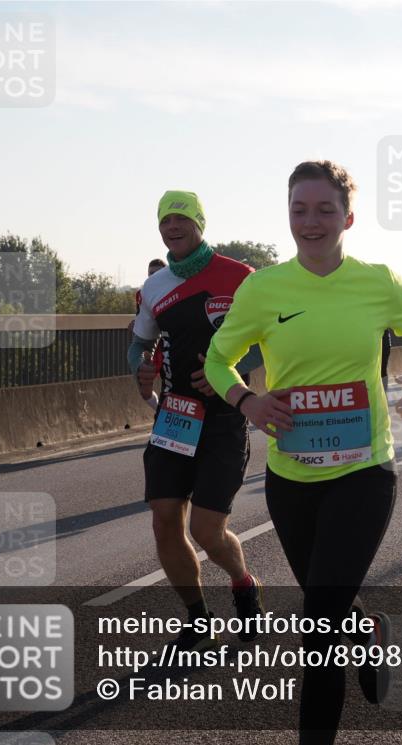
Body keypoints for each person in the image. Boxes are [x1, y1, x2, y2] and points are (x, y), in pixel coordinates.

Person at [204, 160, 402, 745]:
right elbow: (217, 358)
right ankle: (368, 632)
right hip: (291, 477)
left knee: (319, 629)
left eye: (324, 209)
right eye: (299, 210)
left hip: (364, 472)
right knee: (324, 601)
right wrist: (247, 401)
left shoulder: (376, 280)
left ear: (348, 218)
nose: (311, 222)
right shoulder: (263, 289)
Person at [128, 190, 264, 652]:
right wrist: (140, 367)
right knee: (165, 521)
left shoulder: (240, 276)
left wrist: (234, 374)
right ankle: (197, 618)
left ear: (200, 223)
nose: (173, 226)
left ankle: (243, 582)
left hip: (225, 417)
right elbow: (138, 344)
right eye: (166, 219)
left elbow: (269, 339)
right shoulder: (155, 287)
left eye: (182, 218)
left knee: (207, 531)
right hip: (174, 418)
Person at [133, 258, 169, 410]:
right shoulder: (142, 294)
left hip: (169, 344)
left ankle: (162, 416)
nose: (153, 277)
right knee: (144, 389)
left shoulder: (174, 292)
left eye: (157, 273)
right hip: (151, 345)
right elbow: (142, 317)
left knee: (169, 386)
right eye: (150, 274)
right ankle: (160, 411)